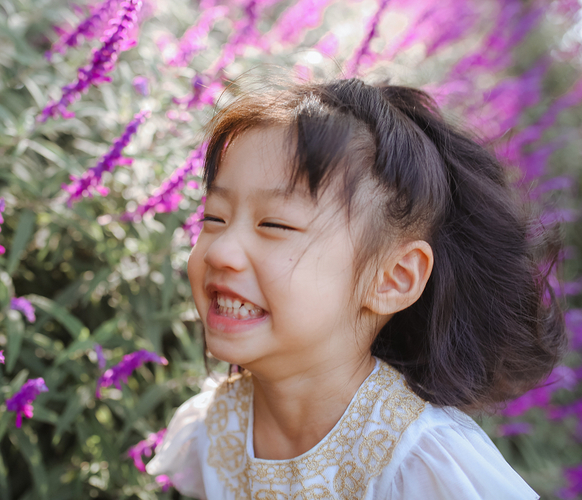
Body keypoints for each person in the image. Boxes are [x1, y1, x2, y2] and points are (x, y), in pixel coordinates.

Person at [146, 78, 567, 499]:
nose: (221, 251)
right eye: (214, 218)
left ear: (393, 278)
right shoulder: (213, 430)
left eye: (274, 224)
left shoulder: (422, 461)